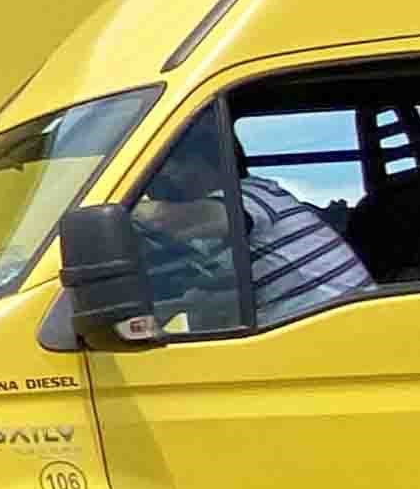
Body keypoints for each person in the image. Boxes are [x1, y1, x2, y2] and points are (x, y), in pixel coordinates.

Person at [124, 122, 373, 337]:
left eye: (172, 168)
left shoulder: (253, 193)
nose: (167, 181)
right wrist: (177, 303)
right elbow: (235, 284)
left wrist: (119, 207)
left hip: (345, 331)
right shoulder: (218, 231)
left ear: (202, 163)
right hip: (319, 332)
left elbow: (168, 220)